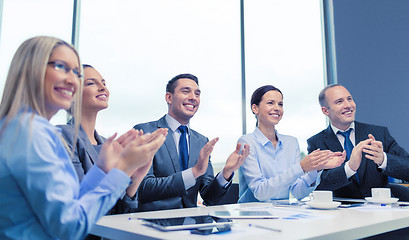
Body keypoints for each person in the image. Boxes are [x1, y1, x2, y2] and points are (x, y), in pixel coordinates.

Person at [0, 36, 167, 239]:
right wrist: (122, 169)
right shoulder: (30, 134)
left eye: (76, 73)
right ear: (30, 69)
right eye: (61, 67)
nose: (72, 80)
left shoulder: (32, 129)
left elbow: (69, 203)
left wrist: (102, 169)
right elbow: (69, 226)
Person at [133, 73, 250, 211]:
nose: (193, 97)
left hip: (191, 223)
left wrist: (226, 172)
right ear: (169, 97)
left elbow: (209, 197)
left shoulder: (201, 141)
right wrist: (194, 172)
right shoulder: (146, 132)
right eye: (186, 91)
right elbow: (142, 188)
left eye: (197, 94)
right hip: (152, 222)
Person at [237, 85, 344, 202]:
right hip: (252, 215)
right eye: (270, 103)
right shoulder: (247, 142)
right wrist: (301, 167)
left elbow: (298, 192)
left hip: (282, 214)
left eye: (280, 104)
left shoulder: (291, 143)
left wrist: (316, 168)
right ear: (255, 108)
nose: (277, 108)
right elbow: (260, 192)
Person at [58, 65, 139, 214]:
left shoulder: (107, 144)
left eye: (104, 83)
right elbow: (80, 201)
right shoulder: (63, 135)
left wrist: (135, 176)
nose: (102, 88)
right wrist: (122, 172)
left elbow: (120, 210)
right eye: (91, 83)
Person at [307, 84, 409, 201]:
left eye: (349, 99)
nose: (348, 105)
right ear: (325, 111)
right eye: (339, 101)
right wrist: (349, 168)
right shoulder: (316, 142)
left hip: (381, 210)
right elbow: (319, 185)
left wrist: (383, 160)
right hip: (342, 214)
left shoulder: (379, 133)